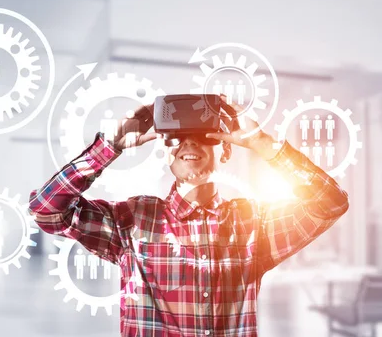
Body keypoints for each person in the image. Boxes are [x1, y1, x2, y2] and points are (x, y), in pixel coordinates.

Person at [28, 96, 349, 337]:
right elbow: (46, 211)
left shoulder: (255, 225)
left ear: (224, 150)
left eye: (204, 136)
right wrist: (108, 148)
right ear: (167, 151)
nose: (189, 142)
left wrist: (266, 146)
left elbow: (330, 203)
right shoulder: (130, 220)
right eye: (177, 137)